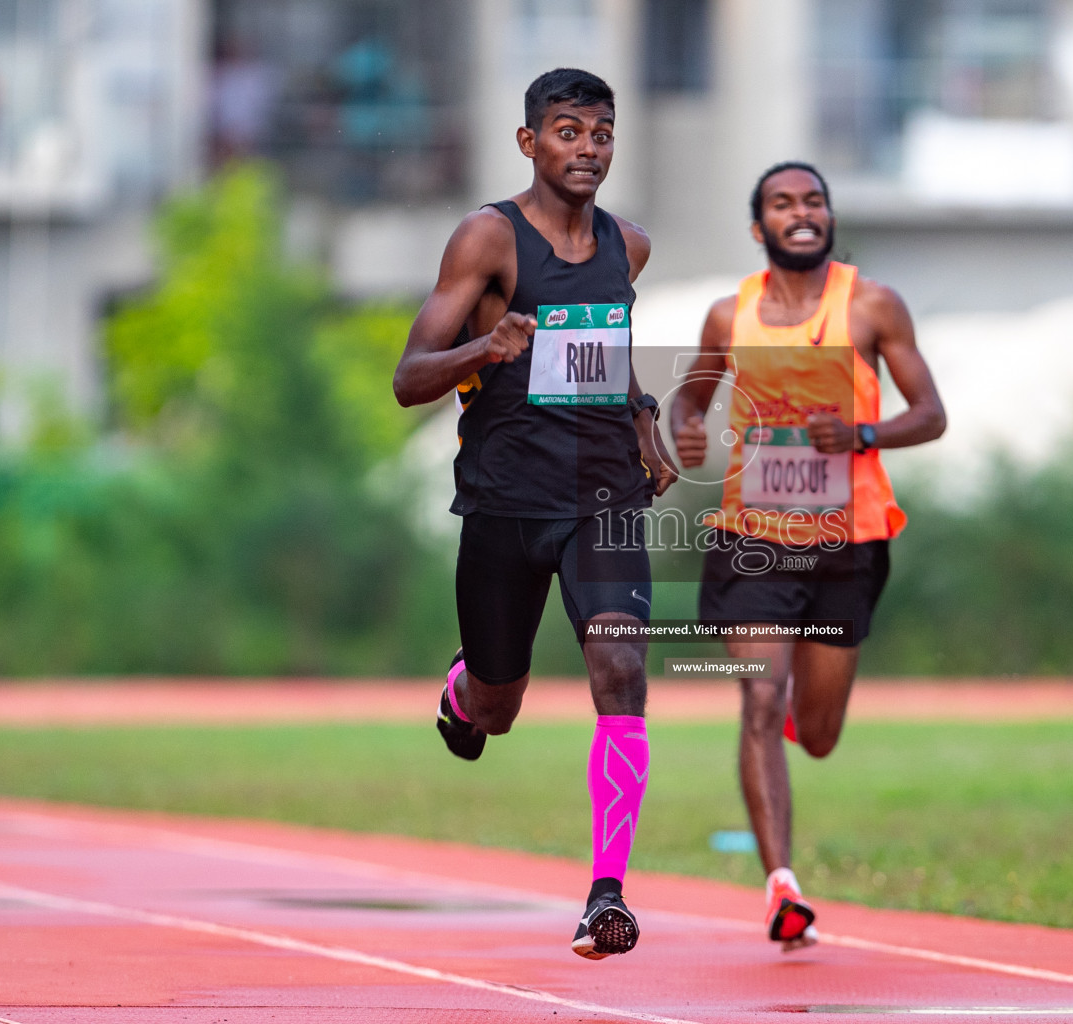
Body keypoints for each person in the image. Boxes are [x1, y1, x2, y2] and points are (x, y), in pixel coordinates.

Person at [392, 67, 674, 960]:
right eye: (567, 131)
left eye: (600, 132)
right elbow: (408, 381)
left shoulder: (629, 248)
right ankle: (463, 689)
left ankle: (605, 896)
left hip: (604, 498)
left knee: (621, 666)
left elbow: (603, 353)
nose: (587, 148)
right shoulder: (488, 240)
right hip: (508, 502)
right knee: (499, 706)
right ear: (529, 143)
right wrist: (490, 340)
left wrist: (644, 421)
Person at [669, 161, 945, 951]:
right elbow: (691, 396)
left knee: (815, 732)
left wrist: (862, 434)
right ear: (759, 228)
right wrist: (685, 427)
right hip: (752, 540)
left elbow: (929, 414)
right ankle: (781, 885)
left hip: (846, 544)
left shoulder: (871, 306)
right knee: (759, 701)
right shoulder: (730, 316)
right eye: (783, 204)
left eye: (814, 201)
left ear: (828, 217)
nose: (802, 213)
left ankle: (797, 713)